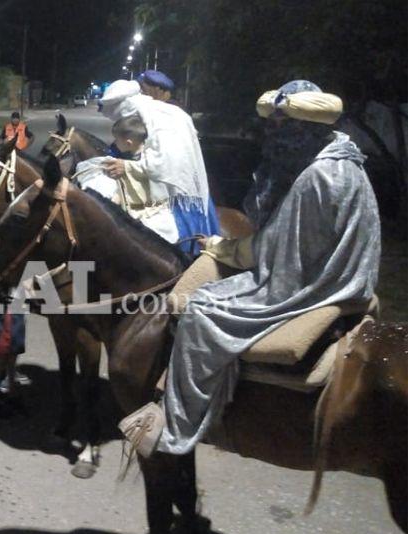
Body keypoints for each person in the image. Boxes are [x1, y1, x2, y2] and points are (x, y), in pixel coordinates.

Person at [128, 80, 381, 457]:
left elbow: (279, 256)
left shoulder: (317, 178)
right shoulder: (342, 159)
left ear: (302, 128)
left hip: (316, 282)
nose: (270, 136)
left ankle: (180, 430)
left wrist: (220, 247)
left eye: (279, 127)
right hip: (338, 269)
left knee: (200, 310)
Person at [98, 79, 219, 255]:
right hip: (167, 191)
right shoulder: (156, 113)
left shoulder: (163, 121)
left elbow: (164, 164)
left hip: (179, 200)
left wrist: (127, 167)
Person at [76, 115, 179, 243]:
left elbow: (140, 183)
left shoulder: (144, 162)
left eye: (116, 140)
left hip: (148, 213)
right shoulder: (140, 156)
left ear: (128, 143)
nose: (114, 143)